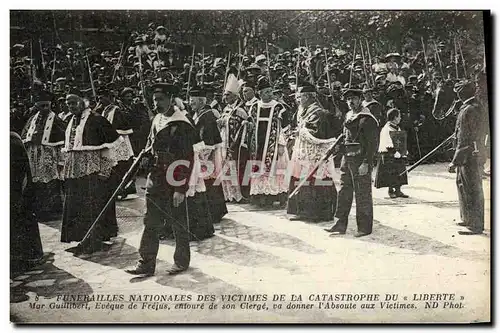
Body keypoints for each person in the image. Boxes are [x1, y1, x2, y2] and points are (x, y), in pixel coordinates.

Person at [126, 83, 199, 276]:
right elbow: (151, 146)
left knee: (178, 222)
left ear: (171, 99)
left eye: (160, 99)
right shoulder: (157, 119)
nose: (156, 103)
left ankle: (181, 261)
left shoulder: (181, 123)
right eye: (154, 100)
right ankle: (146, 263)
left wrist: (180, 188)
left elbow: (186, 158)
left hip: (174, 178)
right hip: (156, 176)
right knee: (151, 220)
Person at [60, 92, 120, 253]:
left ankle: (94, 240)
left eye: (74, 103)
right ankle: (82, 239)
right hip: (75, 171)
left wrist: (105, 170)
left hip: (93, 170)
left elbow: (108, 147)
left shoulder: (97, 119)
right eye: (68, 104)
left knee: (92, 205)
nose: (71, 106)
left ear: (84, 102)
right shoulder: (70, 120)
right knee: (77, 205)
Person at [325, 88, 379, 237]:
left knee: (362, 194)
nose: (350, 102)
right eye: (348, 99)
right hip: (346, 159)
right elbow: (346, 137)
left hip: (361, 160)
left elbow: (372, 144)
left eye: (354, 99)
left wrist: (367, 163)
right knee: (343, 192)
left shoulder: (367, 119)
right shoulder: (348, 116)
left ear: (360, 99)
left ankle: (364, 227)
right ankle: (339, 224)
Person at [287, 82, 338, 221]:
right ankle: (302, 211)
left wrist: (301, 131)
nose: (298, 100)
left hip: (315, 153)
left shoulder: (318, 112)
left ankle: (319, 213)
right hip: (302, 153)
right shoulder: (301, 111)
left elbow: (318, 132)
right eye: (298, 97)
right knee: (301, 180)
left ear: (309, 97)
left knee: (317, 181)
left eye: (301, 97)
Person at [448, 80, 488, 235]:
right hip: (473, 153)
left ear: (460, 93)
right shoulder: (474, 107)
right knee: (463, 185)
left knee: (471, 189)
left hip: (469, 156)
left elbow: (465, 139)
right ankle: (467, 218)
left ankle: (475, 225)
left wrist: (455, 161)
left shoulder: (468, 110)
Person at [21, 89, 65, 220]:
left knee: (50, 182)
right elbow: (25, 134)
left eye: (47, 105)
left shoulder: (56, 119)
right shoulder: (32, 119)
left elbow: (61, 140)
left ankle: (52, 211)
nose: (45, 108)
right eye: (42, 106)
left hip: (49, 154)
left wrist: (60, 160)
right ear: (37, 106)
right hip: (34, 154)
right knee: (35, 182)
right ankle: (38, 210)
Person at [248, 76, 289, 207]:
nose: (270, 94)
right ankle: (260, 196)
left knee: (276, 170)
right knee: (258, 168)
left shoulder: (279, 107)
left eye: (271, 91)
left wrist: (282, 143)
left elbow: (285, 127)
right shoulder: (254, 107)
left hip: (275, 146)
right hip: (257, 146)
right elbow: (251, 126)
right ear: (259, 93)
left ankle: (275, 196)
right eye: (266, 92)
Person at [190, 87, 228, 224]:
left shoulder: (207, 115)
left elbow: (207, 139)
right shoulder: (199, 113)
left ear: (201, 101)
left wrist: (202, 156)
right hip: (206, 152)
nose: (190, 104)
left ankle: (215, 212)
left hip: (208, 153)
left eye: (193, 101)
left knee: (209, 182)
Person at [11, 132, 44, 273]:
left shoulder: (12, 141)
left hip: (18, 188)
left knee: (23, 217)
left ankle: (29, 255)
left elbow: (21, 171)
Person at [217, 74, 249, 202]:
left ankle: (238, 195)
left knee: (235, 168)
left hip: (234, 143)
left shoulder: (240, 110)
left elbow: (244, 128)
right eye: (225, 95)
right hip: (224, 142)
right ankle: (228, 194)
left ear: (235, 96)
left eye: (228, 95)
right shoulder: (225, 109)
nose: (225, 97)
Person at [374, 108, 409, 198]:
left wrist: (403, 150)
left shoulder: (397, 127)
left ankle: (398, 190)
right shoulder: (386, 129)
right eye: (399, 116)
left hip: (398, 153)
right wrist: (394, 152)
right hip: (389, 154)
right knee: (391, 173)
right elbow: (387, 142)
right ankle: (391, 190)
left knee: (399, 171)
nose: (400, 118)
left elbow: (399, 140)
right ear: (394, 117)